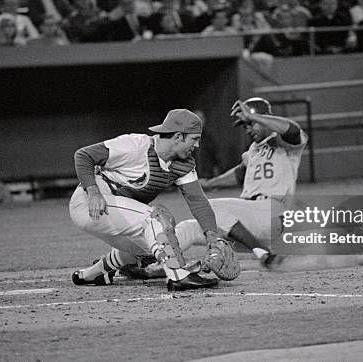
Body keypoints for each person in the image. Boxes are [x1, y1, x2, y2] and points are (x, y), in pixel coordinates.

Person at [68, 109, 227, 291]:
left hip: (116, 211)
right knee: (156, 218)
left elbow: (198, 200)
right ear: (178, 137)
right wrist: (93, 192)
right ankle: (178, 276)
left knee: (157, 248)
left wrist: (212, 236)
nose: (197, 145)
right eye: (194, 139)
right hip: (91, 204)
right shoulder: (136, 145)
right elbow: (83, 155)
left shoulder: (182, 164)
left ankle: (92, 274)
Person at [177, 97, 308, 267]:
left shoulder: (284, 142)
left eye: (251, 123)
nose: (248, 129)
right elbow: (239, 174)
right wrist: (210, 183)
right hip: (248, 224)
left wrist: (254, 116)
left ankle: (263, 254)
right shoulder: (252, 150)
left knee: (208, 207)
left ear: (264, 117)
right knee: (189, 228)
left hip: (272, 212)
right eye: (246, 125)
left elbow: (293, 130)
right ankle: (156, 261)